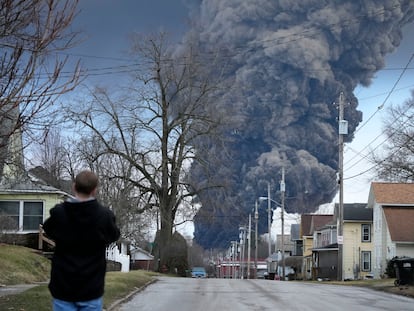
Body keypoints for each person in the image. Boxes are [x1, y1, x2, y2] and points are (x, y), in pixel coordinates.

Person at [43, 170, 120, 311]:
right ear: (94, 190)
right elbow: (114, 235)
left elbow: (48, 229)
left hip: (63, 287)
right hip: (91, 288)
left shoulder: (59, 213)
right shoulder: (104, 216)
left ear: (74, 186)